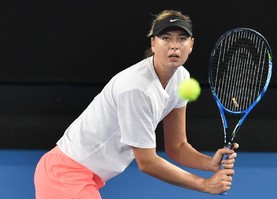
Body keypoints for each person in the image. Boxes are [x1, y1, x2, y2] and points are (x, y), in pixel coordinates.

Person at [34, 9, 238, 199]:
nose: (174, 45)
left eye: (182, 39)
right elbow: (147, 162)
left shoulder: (181, 78)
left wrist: (208, 163)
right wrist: (204, 184)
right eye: (165, 38)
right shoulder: (136, 88)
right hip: (64, 174)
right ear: (153, 43)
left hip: (87, 177)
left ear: (191, 44)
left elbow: (177, 146)